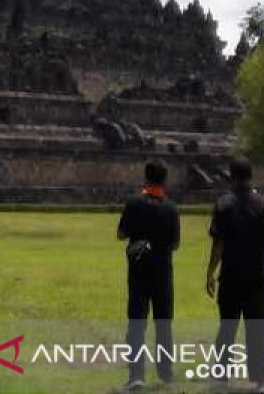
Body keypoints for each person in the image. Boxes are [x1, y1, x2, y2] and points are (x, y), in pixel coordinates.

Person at [205, 157, 264, 393]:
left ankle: (221, 375)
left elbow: (218, 244)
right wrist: (261, 258)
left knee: (227, 326)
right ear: (251, 175)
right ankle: (262, 380)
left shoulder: (224, 204)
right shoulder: (263, 204)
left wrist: (210, 272)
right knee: (258, 326)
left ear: (231, 176)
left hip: (231, 275)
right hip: (257, 274)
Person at [118, 160, 180, 391]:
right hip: (163, 271)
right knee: (163, 322)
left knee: (136, 322)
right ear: (165, 180)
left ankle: (136, 375)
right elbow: (175, 244)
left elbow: (121, 233)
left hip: (138, 270)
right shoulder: (171, 208)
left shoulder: (133, 203)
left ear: (145, 177)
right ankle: (165, 373)